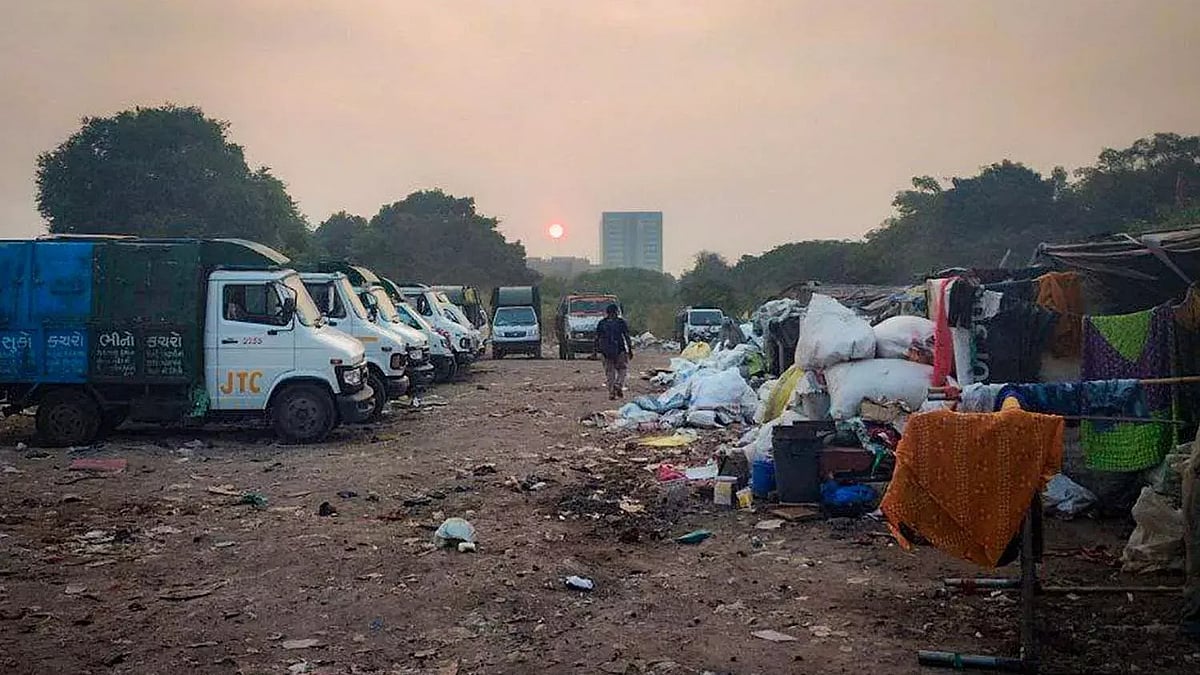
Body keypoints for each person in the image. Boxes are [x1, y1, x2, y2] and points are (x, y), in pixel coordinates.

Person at [594, 304, 632, 400]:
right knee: (622, 369)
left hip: (606, 352)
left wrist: (595, 351)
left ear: (607, 312)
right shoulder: (620, 322)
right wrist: (630, 349)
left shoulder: (602, 323)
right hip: (620, 350)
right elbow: (626, 336)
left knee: (610, 372)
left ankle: (611, 393)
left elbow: (597, 338)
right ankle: (618, 384)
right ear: (616, 312)